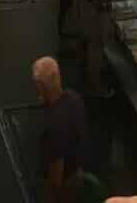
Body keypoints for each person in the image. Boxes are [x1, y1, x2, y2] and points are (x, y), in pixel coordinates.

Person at [32, 56, 88, 203]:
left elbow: (56, 174)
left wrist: (52, 195)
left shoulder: (54, 126)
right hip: (76, 170)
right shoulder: (74, 97)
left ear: (40, 86)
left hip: (63, 185)